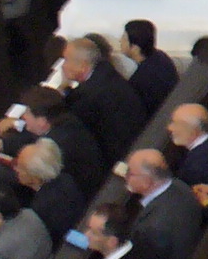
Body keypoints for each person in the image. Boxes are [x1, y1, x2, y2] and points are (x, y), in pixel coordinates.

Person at [61, 36, 146, 166]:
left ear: (82, 66)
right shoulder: (106, 70)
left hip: (123, 154)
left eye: (66, 60)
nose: (63, 66)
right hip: (139, 134)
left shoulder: (86, 97)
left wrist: (64, 87)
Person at [122, 147, 202, 259]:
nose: (125, 176)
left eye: (130, 173)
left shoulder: (152, 228)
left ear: (146, 182)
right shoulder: (180, 186)